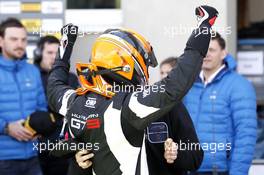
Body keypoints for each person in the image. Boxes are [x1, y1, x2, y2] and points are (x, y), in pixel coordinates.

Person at [47, 5, 218, 175]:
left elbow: (54, 87)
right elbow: (177, 82)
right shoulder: (133, 104)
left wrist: (177, 154)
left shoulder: (76, 101)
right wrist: (204, 27)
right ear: (128, 63)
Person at [183, 32, 257, 175]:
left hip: (220, 170)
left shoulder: (239, 85)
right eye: (204, 50)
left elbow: (246, 135)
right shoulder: (189, 85)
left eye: (212, 50)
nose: (207, 54)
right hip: (189, 168)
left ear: (223, 53)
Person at [0, 18, 47, 175]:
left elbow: (41, 107)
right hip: (3, 160)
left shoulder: (32, 71)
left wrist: (39, 126)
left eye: (23, 39)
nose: (20, 44)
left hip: (32, 157)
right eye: (14, 39)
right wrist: (6, 128)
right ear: (1, 41)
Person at [33, 35, 79, 175]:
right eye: (49, 52)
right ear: (39, 54)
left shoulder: (71, 78)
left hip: (61, 145)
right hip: (35, 145)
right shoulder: (31, 75)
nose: (54, 57)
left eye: (57, 53)